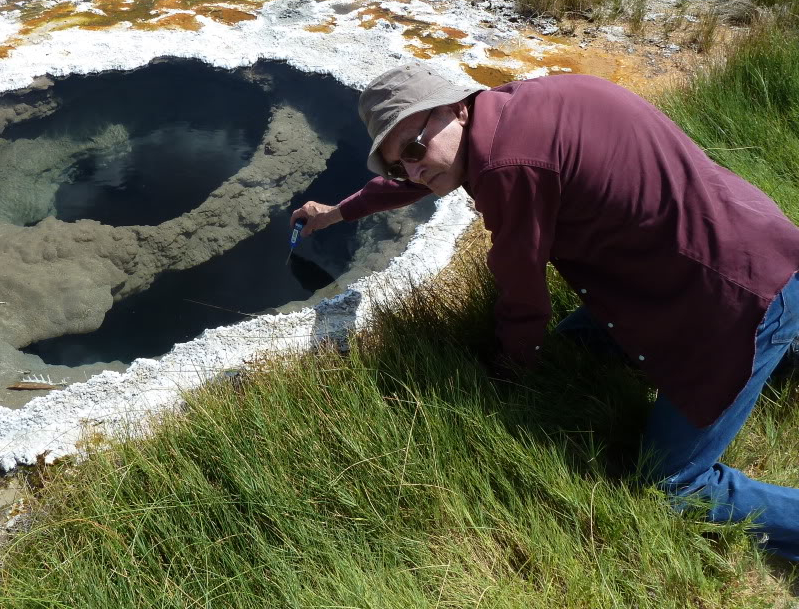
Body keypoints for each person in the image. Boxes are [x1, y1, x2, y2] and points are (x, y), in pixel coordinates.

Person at [290, 62, 799, 560]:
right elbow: (421, 176)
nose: (414, 170)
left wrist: (512, 377)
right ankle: (782, 345)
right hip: (762, 245)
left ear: (452, 110)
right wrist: (339, 211)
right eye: (401, 164)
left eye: (415, 150)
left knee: (669, 483)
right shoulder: (512, 105)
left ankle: (773, 355)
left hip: (734, 300)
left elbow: (522, 295)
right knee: (575, 349)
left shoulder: (510, 168)